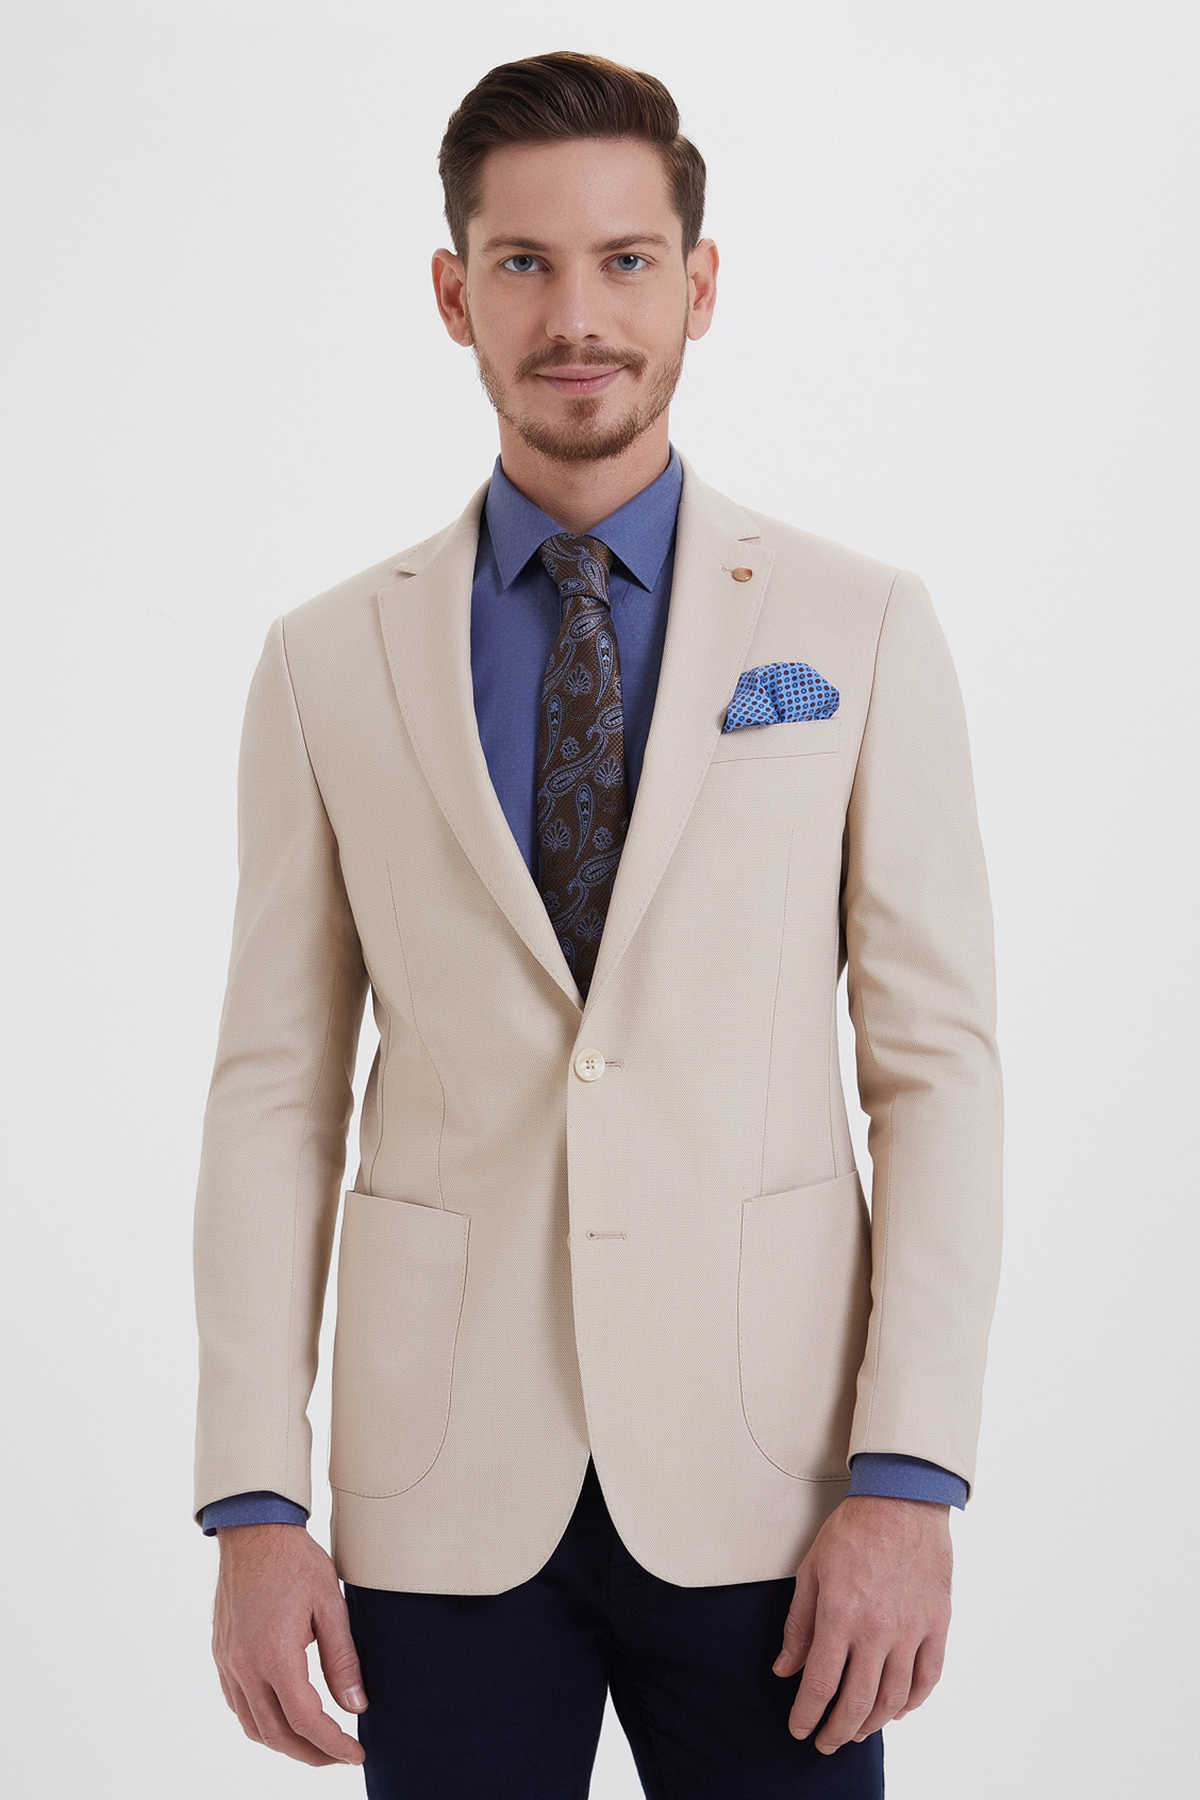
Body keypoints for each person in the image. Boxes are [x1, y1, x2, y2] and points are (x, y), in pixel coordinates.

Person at [192, 49, 1003, 1798]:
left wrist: (910, 1476)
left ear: (699, 286)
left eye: (627, 260)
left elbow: (936, 1074)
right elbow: (275, 1093)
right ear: (453, 292)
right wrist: (254, 1498)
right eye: (526, 263)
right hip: (441, 1495)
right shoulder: (328, 664)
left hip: (779, 1486)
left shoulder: (856, 627)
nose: (578, 317)